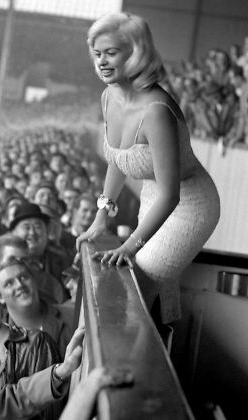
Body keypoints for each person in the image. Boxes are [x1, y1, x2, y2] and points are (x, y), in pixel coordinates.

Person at [78, 12, 220, 327]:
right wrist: (101, 218)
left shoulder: (156, 112)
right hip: (153, 191)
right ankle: (162, 335)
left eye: (111, 53)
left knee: (142, 273)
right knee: (146, 281)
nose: (101, 61)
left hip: (189, 204)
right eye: (97, 53)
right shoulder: (108, 96)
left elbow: (171, 197)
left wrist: (129, 245)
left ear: (136, 54)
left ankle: (146, 359)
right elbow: (118, 158)